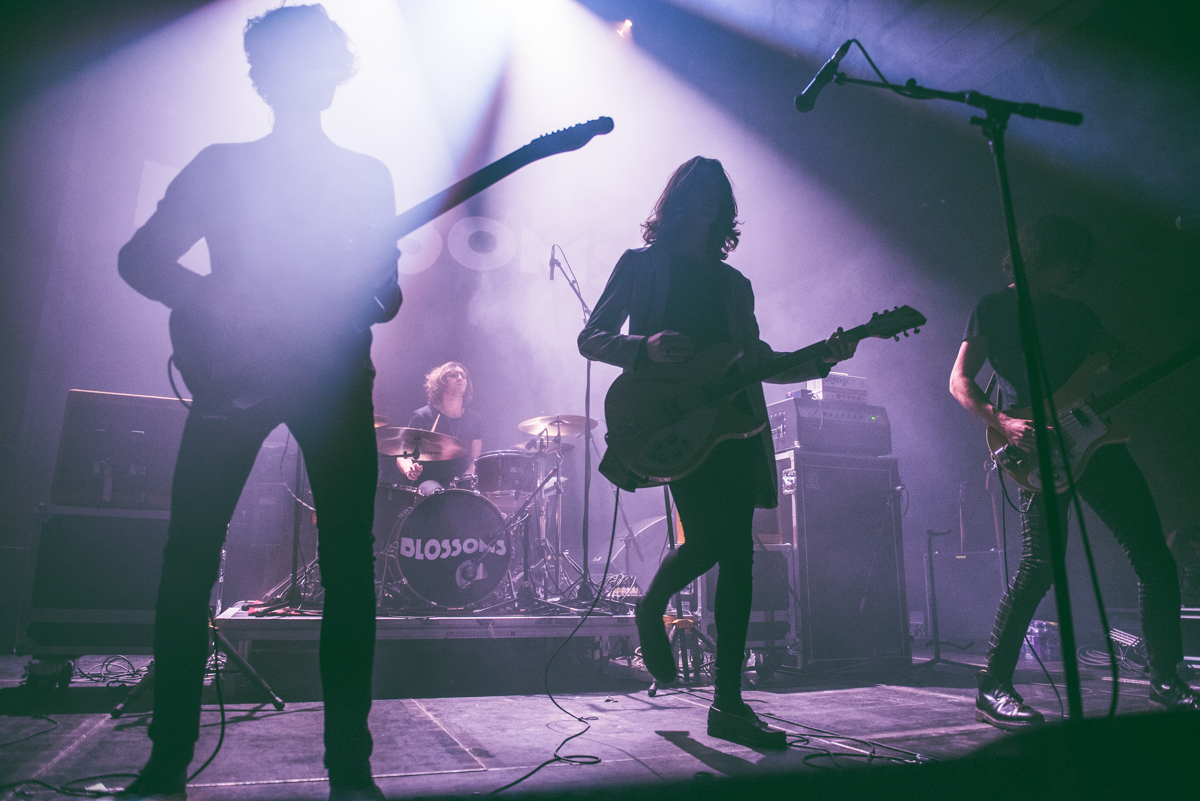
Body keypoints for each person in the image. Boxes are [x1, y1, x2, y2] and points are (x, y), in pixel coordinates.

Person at [116, 6, 400, 799]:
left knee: (348, 568)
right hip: (238, 370)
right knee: (191, 558)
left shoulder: (365, 177)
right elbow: (139, 259)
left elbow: (388, 298)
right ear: (267, 78)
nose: (310, 75)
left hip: (334, 374)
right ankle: (167, 756)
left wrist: (375, 275)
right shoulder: (222, 165)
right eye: (295, 62)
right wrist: (216, 301)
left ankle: (350, 767)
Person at [578, 156, 856, 748]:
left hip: (736, 427)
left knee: (732, 550)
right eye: (698, 195)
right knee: (720, 543)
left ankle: (725, 699)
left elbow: (754, 361)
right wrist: (643, 347)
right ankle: (680, 639)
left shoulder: (736, 285)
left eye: (718, 198)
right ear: (676, 204)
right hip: (672, 421)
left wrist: (823, 357)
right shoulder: (642, 266)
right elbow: (591, 338)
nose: (708, 206)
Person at [949, 214, 1200, 730]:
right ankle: (992, 687)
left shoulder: (1079, 313)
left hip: (1096, 440)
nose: (1077, 272)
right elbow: (959, 381)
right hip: (1035, 447)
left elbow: (1124, 361)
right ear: (1045, 255)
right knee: (1040, 567)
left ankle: (1165, 679)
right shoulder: (994, 308)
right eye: (1071, 262)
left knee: (1154, 557)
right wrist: (1002, 422)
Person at [396, 362, 483, 491]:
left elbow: (475, 460)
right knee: (436, 495)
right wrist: (410, 469)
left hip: (460, 483)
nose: (460, 378)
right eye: (453, 375)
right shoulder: (423, 416)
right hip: (429, 481)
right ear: (441, 383)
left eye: (463, 375)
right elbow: (403, 455)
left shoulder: (474, 420)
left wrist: (464, 480)